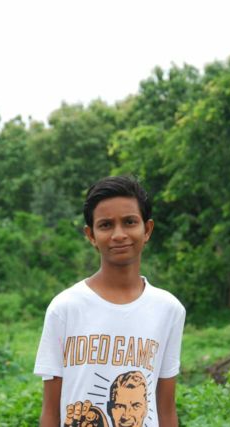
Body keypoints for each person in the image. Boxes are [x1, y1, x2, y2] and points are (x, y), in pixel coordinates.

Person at [35, 176, 186, 427]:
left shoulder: (169, 310)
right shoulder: (64, 309)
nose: (119, 235)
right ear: (91, 235)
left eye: (129, 222)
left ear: (147, 230)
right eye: (106, 225)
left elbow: (166, 410)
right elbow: (50, 412)